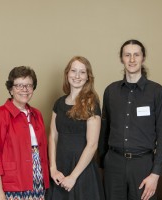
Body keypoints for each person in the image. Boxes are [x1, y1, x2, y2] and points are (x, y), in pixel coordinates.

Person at [98, 39, 162, 200]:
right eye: (127, 55)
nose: (132, 59)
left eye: (136, 55)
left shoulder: (158, 92)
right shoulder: (110, 91)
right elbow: (104, 130)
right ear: (121, 58)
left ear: (143, 58)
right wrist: (104, 162)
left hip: (143, 166)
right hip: (113, 165)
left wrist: (155, 174)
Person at [0, 66, 49, 200]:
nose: (24, 90)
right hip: (10, 186)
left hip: (37, 184)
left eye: (29, 85)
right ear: (11, 89)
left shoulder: (37, 114)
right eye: (19, 85)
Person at [46, 56, 105, 200]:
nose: (77, 76)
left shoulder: (92, 104)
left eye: (82, 72)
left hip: (81, 170)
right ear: (67, 74)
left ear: (87, 77)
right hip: (59, 169)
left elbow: (92, 145)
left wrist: (73, 177)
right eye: (73, 71)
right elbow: (53, 136)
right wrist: (53, 168)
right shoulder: (59, 103)